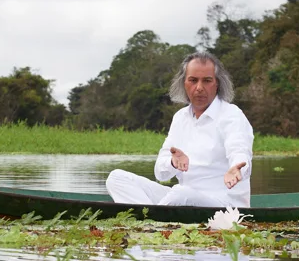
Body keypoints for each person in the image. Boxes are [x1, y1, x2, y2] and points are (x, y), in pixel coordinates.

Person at [106, 52, 253, 209]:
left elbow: (239, 151)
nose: (199, 88)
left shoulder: (232, 114)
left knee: (180, 194)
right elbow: (160, 174)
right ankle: (153, 217)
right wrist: (172, 163)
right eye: (193, 80)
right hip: (183, 198)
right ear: (184, 83)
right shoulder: (180, 118)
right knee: (116, 178)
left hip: (223, 204)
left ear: (217, 84)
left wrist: (237, 167)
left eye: (207, 81)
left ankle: (150, 220)